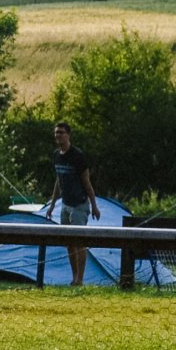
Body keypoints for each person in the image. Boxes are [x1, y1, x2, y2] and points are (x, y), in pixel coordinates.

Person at [43, 121, 99, 286]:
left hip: (79, 204)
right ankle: (74, 277)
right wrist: (52, 204)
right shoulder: (56, 155)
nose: (58, 136)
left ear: (68, 135)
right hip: (65, 204)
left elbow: (87, 182)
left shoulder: (77, 156)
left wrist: (94, 206)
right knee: (68, 242)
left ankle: (80, 279)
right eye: (56, 133)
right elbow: (58, 181)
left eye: (61, 133)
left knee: (79, 242)